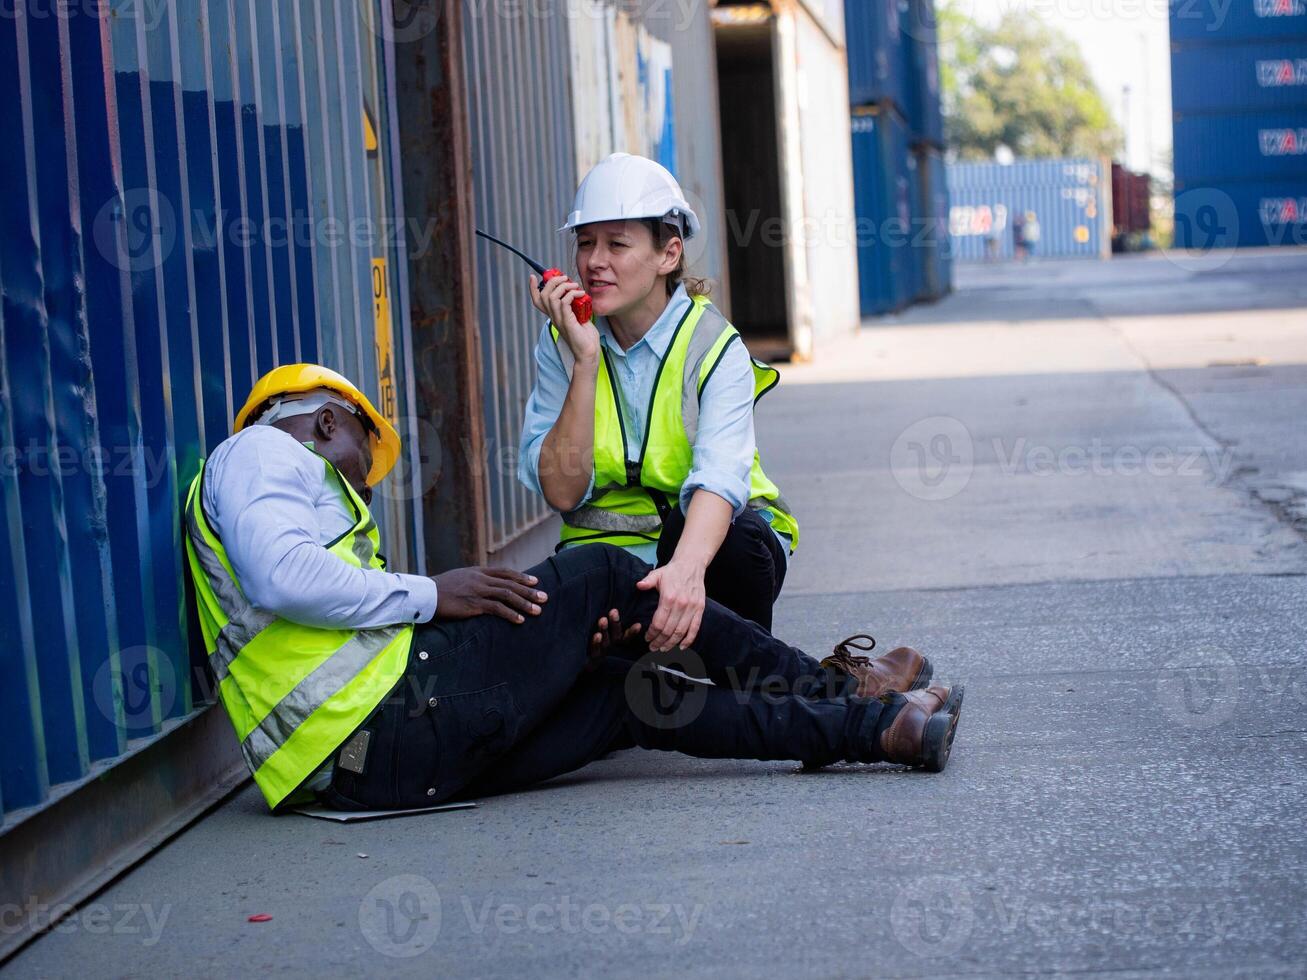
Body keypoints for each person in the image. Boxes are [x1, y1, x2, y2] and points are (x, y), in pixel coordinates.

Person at [184, 365, 964, 813]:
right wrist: (433, 592)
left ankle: (874, 730)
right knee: (603, 573)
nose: (364, 475)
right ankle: (839, 686)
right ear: (327, 422)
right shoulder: (260, 454)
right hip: (379, 727)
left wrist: (549, 657)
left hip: (361, 773)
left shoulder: (275, 474)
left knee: (637, 696)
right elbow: (283, 576)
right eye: (364, 453)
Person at [517, 153, 798, 657]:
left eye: (616, 244)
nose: (593, 261)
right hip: (609, 563)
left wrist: (684, 575)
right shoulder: (563, 342)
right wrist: (584, 360)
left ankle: (753, 676)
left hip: (710, 552)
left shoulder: (713, 346)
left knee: (738, 546)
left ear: (669, 255)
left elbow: (720, 476)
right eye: (585, 243)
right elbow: (562, 491)